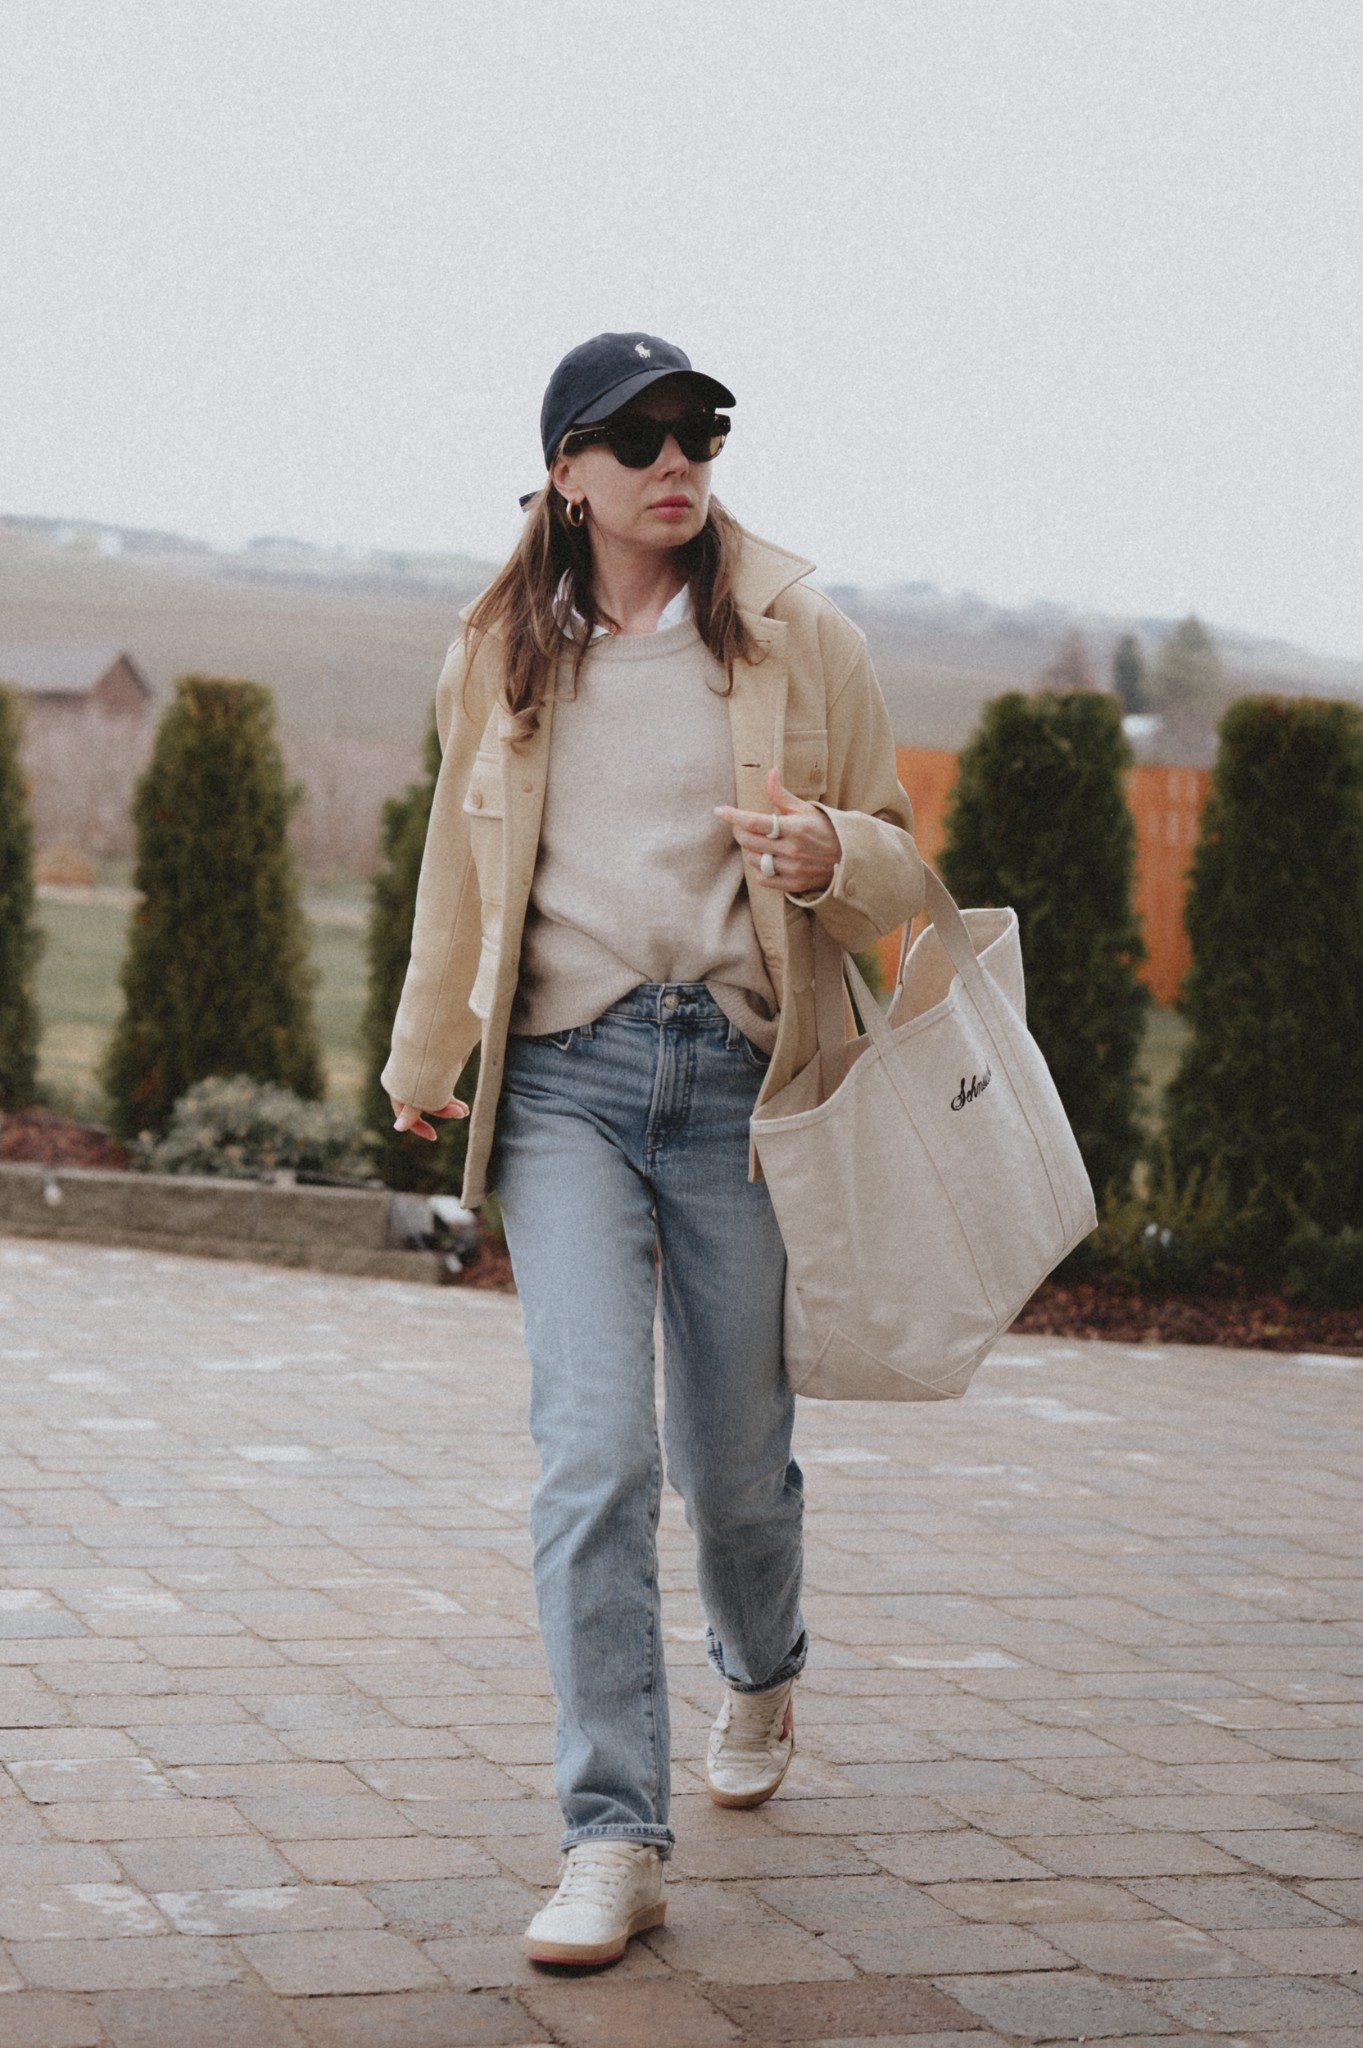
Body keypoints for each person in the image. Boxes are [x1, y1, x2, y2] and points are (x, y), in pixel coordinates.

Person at [384, 332, 923, 1968]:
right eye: (638, 440)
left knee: (736, 1472)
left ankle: (762, 1669)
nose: (677, 461)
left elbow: (905, 870)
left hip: (745, 1086)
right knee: (595, 1456)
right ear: (566, 473)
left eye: (700, 432)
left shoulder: (797, 641)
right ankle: (610, 1834)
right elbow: (459, 882)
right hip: (563, 1087)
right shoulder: (498, 654)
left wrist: (838, 852)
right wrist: (426, 1062)